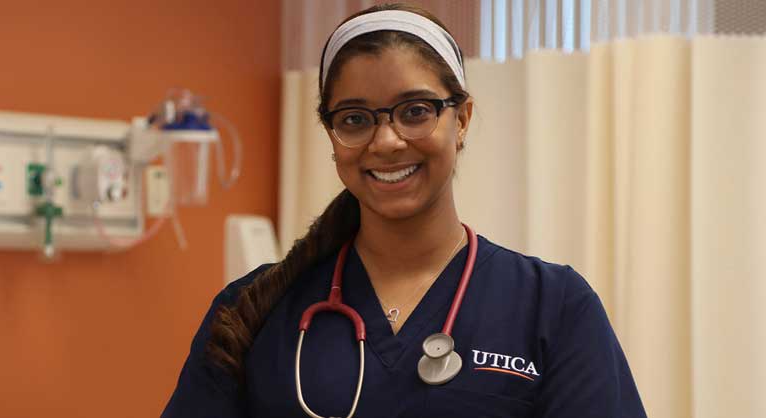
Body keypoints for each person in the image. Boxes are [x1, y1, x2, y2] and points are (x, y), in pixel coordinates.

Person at [161, 3, 647, 418]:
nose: (387, 141)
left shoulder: (553, 307)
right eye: (354, 119)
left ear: (462, 120)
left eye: (415, 111)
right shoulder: (251, 312)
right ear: (332, 136)